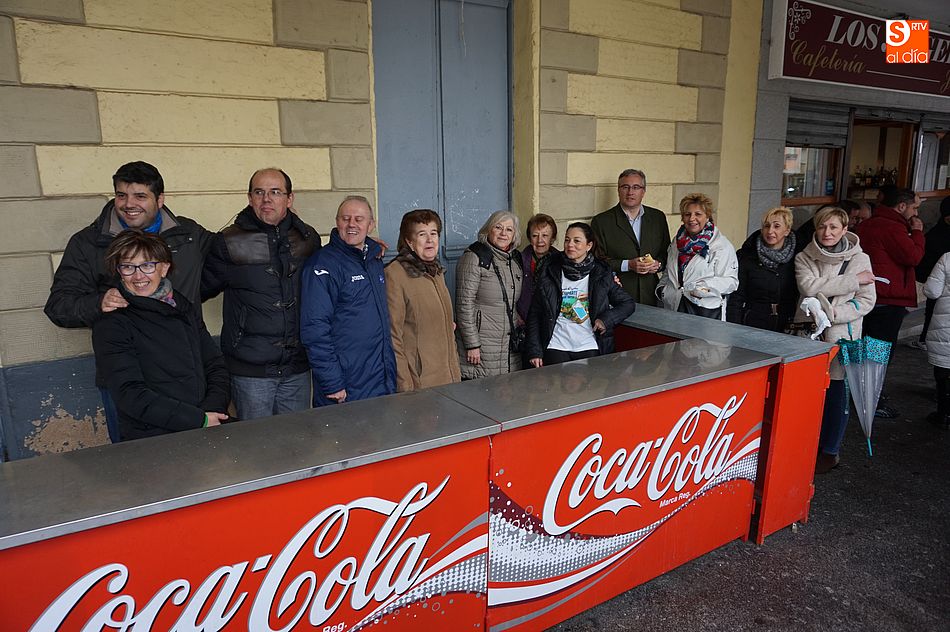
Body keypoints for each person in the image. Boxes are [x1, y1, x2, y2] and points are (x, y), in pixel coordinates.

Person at [44, 161, 212, 443]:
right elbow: (58, 306)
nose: (128, 204)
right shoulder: (88, 243)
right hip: (129, 381)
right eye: (121, 195)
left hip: (186, 372)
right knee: (137, 468)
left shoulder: (188, 234)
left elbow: (227, 260)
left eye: (140, 196)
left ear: (160, 199)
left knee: (195, 460)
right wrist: (98, 302)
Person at [201, 168, 321, 420]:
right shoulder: (229, 242)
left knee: (297, 444)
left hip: (297, 367)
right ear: (249, 198)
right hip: (250, 372)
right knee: (257, 449)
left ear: (289, 199)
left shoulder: (307, 239)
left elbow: (328, 274)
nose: (267, 199)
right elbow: (198, 289)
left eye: (275, 192)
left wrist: (362, 247)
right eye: (259, 192)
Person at [92, 231, 229, 441]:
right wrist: (196, 419)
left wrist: (212, 411)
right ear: (119, 271)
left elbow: (214, 363)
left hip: (204, 425)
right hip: (154, 437)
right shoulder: (113, 322)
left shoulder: (182, 306)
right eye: (128, 267)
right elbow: (130, 394)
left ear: (164, 268)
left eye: (148, 265)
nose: (138, 276)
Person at [794, 206, 875, 472]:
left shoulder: (860, 259)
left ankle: (831, 450)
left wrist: (832, 314)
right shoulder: (805, 256)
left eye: (833, 227)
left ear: (844, 230)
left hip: (844, 335)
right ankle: (806, 445)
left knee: (838, 394)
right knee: (809, 394)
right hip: (811, 335)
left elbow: (866, 300)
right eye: (822, 227)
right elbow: (809, 287)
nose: (827, 233)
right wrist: (853, 281)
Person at [300, 195, 396, 405]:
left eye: (359, 219)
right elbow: (314, 329)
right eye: (345, 218)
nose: (352, 224)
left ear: (371, 225)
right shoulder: (321, 265)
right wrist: (332, 382)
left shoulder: (374, 260)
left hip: (379, 380)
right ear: (337, 222)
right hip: (344, 386)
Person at [525, 222, 635, 367]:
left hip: (589, 345)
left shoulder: (601, 273)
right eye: (567, 240)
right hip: (556, 345)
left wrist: (606, 320)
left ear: (589, 246)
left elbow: (627, 304)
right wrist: (535, 351)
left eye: (577, 241)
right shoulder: (550, 270)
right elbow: (535, 313)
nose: (570, 245)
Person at [855, 187, 924, 418]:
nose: (916, 213)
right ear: (902, 206)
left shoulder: (868, 225)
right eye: (914, 207)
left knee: (863, 348)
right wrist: (917, 233)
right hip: (887, 298)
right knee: (879, 352)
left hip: (866, 297)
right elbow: (913, 257)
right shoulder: (894, 227)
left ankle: (857, 395)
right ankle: (871, 400)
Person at [385, 209, 461, 391]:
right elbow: (393, 336)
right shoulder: (395, 274)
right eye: (422, 234)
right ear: (409, 242)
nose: (430, 240)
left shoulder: (436, 271)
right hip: (420, 383)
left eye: (433, 233)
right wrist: (405, 386)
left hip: (448, 376)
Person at [456, 210, 524, 379]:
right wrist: (472, 344)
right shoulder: (475, 257)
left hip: (508, 345)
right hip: (482, 344)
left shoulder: (514, 259)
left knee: (506, 397)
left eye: (509, 229)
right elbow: (464, 304)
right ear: (488, 230)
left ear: (514, 234)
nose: (503, 233)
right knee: (482, 398)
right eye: (498, 227)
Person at [591, 169, 671, 306]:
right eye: (625, 187)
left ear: (643, 191)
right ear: (618, 190)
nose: (630, 192)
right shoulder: (602, 221)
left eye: (636, 187)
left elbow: (666, 253)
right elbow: (596, 262)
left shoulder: (658, 217)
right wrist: (627, 265)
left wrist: (658, 264)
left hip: (651, 294)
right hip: (617, 294)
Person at [657, 193, 738, 319]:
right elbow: (669, 272)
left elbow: (731, 281)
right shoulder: (676, 242)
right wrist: (662, 290)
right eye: (687, 214)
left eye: (698, 214)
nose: (692, 218)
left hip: (705, 311)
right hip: (675, 306)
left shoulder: (721, 246)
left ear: (707, 217)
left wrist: (705, 286)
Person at [727, 207, 798, 332]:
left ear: (787, 231)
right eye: (766, 226)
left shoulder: (797, 257)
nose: (770, 231)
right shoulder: (747, 256)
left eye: (776, 226)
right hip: (754, 322)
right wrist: (733, 329)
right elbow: (737, 298)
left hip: (786, 324)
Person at [912, 196, 950, 350]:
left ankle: (926, 340)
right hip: (938, 284)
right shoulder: (937, 235)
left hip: (938, 286)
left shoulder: (936, 234)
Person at [923, 250, 950, 429]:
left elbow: (932, 291)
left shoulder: (947, 257)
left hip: (945, 322)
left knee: (943, 371)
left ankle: (944, 414)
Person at [516, 213, 558, 322]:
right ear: (530, 238)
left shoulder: (560, 262)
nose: (540, 240)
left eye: (545, 235)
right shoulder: (518, 261)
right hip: (524, 322)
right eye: (535, 235)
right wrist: (516, 316)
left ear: (552, 239)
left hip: (552, 323)